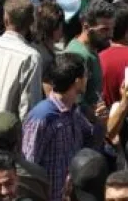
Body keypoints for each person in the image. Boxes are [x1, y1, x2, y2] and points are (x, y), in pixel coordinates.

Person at [20, 52, 92, 194]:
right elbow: (29, 166)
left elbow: (90, 138)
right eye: (86, 74)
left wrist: (101, 122)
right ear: (77, 81)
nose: (87, 78)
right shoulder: (42, 117)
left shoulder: (74, 111)